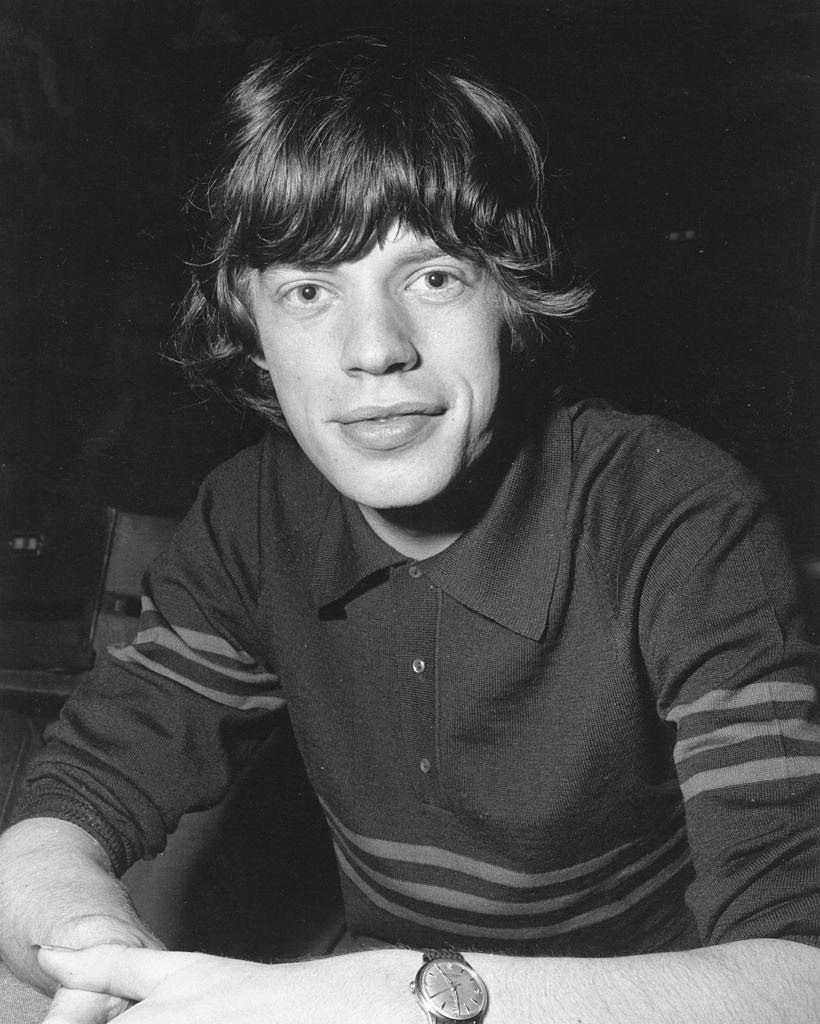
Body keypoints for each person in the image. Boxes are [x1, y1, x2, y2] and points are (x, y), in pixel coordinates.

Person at [1, 35, 818, 1024]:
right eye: (309, 291)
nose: (376, 349)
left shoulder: (678, 513)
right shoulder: (251, 516)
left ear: (508, 293)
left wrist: (405, 997)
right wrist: (105, 958)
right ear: (250, 326)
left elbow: (799, 971)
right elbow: (66, 805)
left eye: (432, 277)